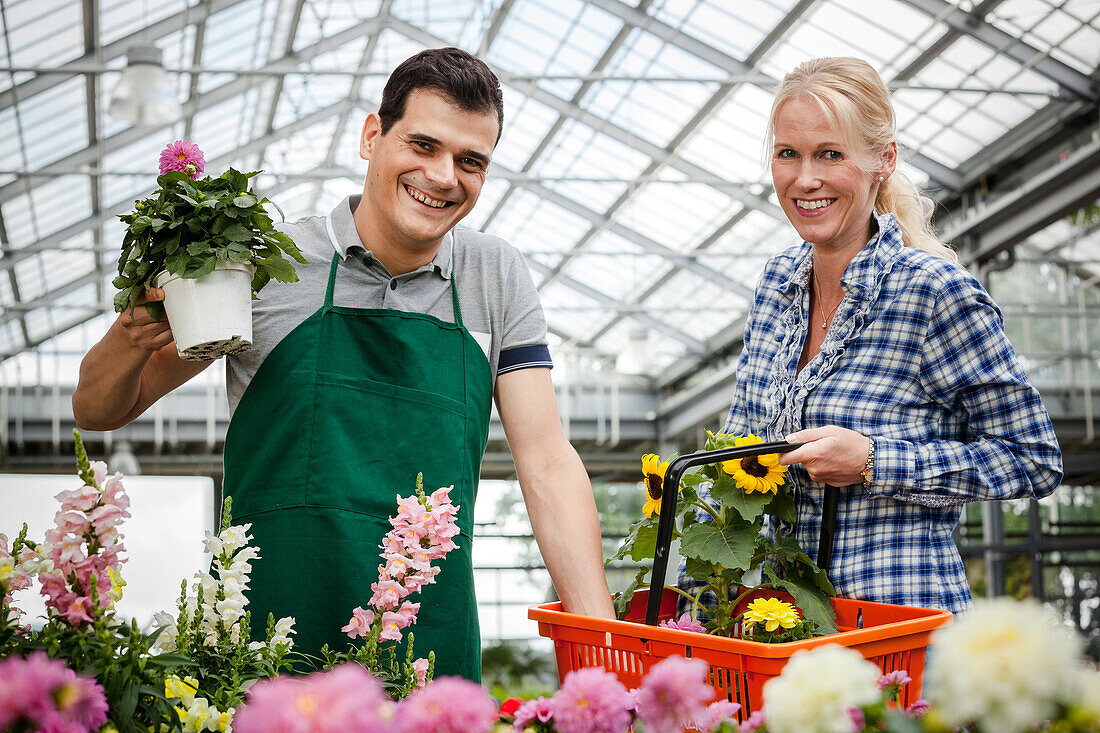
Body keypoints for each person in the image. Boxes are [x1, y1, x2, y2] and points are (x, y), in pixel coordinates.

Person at [72, 47, 614, 680]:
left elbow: (547, 460)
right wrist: (134, 332)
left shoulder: (496, 275)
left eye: (471, 161)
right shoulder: (265, 263)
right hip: (269, 639)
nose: (444, 177)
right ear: (372, 136)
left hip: (427, 639)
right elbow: (102, 408)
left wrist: (601, 641)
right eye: (423, 145)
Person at [681, 57, 1062, 615]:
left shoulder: (933, 293)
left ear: (883, 160)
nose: (804, 178)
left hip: (898, 631)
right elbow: (742, 447)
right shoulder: (776, 285)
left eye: (829, 154)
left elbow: (1032, 459)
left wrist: (875, 461)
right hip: (784, 627)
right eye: (788, 154)